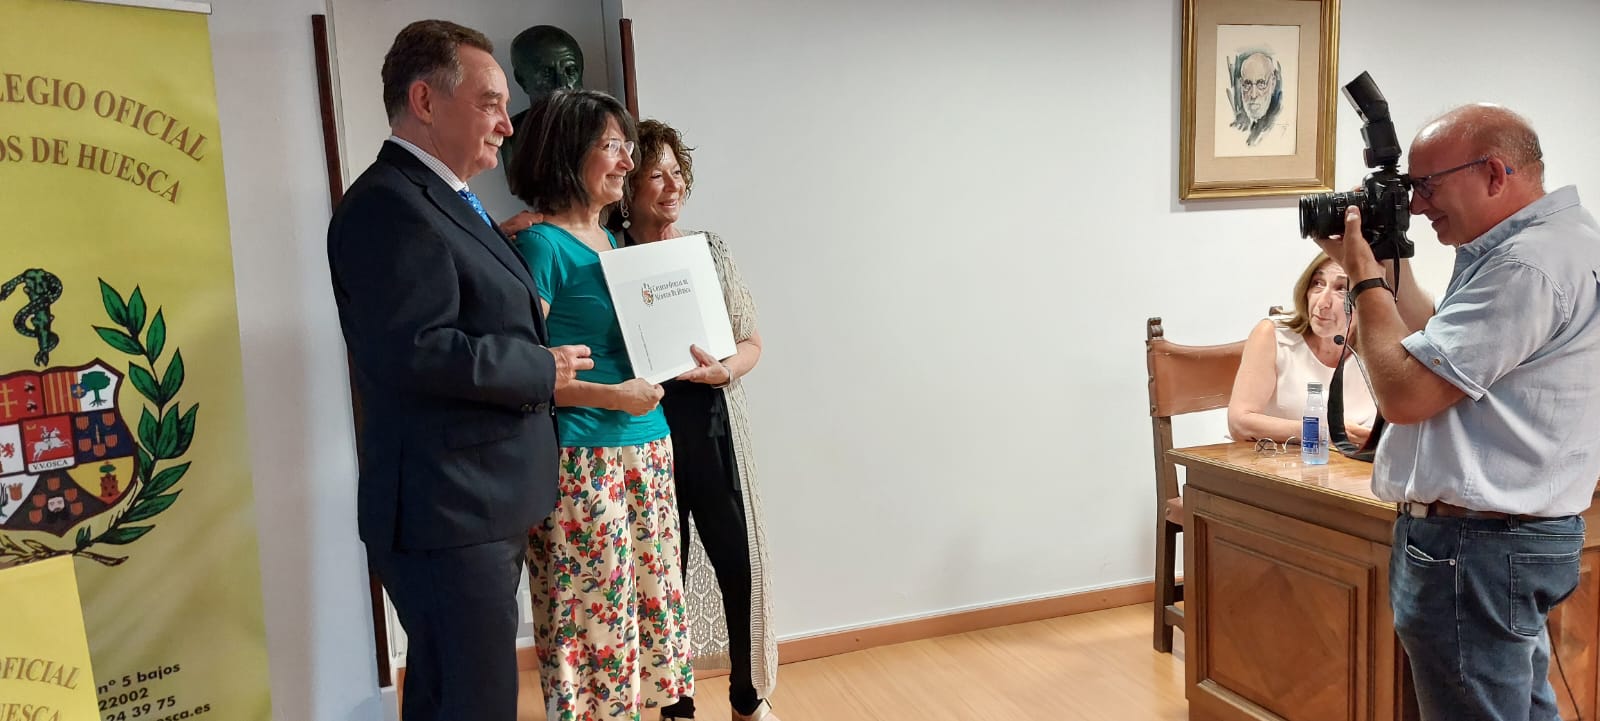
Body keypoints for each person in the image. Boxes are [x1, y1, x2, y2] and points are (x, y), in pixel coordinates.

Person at [325, 19, 591, 721]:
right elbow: (418, 349)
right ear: (425, 100)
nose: (507, 123)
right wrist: (541, 366)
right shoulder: (389, 206)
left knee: (448, 693)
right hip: (448, 508)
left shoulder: (442, 201)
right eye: (491, 103)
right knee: (477, 701)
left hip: (473, 501)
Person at [1316, 103, 1600, 721]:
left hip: (1477, 545)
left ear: (1494, 173)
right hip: (1507, 537)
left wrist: (1362, 279)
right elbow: (1433, 349)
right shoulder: (1559, 243)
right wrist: (1386, 264)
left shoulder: (1525, 266)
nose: (1416, 206)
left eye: (1427, 186)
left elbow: (1406, 394)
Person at [507, 89, 694, 720]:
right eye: (613, 146)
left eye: (627, 147)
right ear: (570, 153)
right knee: (593, 617)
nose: (627, 162)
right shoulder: (542, 246)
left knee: (650, 606)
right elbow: (523, 371)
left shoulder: (613, 242)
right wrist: (613, 395)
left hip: (648, 446)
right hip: (584, 457)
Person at [611, 120, 780, 721]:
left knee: (739, 564)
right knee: (663, 577)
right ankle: (673, 706)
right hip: (644, 439)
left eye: (677, 172)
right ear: (629, 187)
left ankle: (746, 699)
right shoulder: (606, 254)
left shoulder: (710, 250)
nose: (672, 185)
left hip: (714, 432)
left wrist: (723, 372)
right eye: (656, 174)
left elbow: (751, 341)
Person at [1228, 252, 1378, 447]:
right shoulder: (1273, 335)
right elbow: (1239, 423)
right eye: (1317, 283)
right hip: (1272, 461)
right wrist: (1324, 433)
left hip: (1348, 463)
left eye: (1341, 289)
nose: (1322, 303)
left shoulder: (1377, 348)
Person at [500, 24, 584, 167]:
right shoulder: (513, 135)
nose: (562, 84)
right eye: (547, 73)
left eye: (570, 71)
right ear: (522, 80)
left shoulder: (605, 127)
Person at [1228, 51, 1282, 146]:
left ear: (1273, 84)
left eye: (1261, 84)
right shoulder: (1233, 129)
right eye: (1247, 84)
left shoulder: (1280, 129)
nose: (1253, 95)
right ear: (1241, 84)